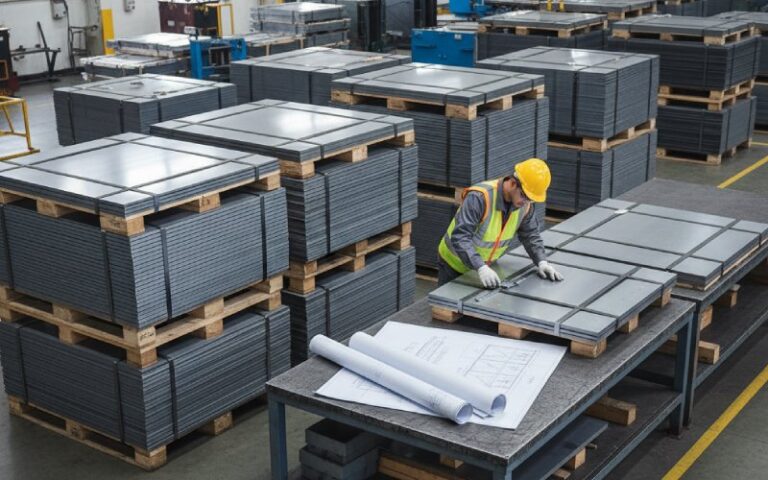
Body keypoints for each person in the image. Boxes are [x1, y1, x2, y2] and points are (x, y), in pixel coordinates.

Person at [437, 158, 564, 288]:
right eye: (524, 196)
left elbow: (531, 235)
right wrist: (481, 267)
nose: (526, 202)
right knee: (448, 306)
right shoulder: (480, 198)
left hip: (484, 268)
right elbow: (460, 237)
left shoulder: (524, 206)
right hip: (453, 265)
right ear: (513, 183)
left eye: (531, 200)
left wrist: (542, 261)